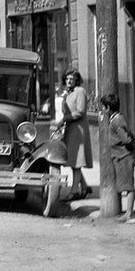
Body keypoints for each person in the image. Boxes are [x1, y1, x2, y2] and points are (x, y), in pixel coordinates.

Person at [101, 92, 135, 221]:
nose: (102, 110)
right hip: (121, 156)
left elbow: (125, 139)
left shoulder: (116, 121)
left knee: (128, 186)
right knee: (126, 183)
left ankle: (129, 213)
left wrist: (129, 149)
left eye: (103, 107)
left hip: (124, 156)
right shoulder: (117, 118)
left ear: (107, 108)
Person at [59, 70, 93, 199]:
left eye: (71, 79)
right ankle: (84, 187)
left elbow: (80, 111)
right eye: (67, 79)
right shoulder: (68, 93)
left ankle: (74, 192)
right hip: (71, 129)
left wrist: (64, 119)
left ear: (76, 80)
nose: (69, 81)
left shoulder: (80, 91)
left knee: (76, 161)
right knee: (73, 160)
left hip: (78, 130)